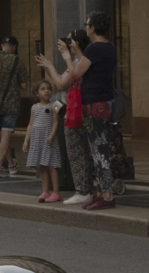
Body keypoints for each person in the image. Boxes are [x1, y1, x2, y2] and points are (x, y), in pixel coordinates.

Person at [37, 11, 118, 210]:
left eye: (87, 24)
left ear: (92, 28)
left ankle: (106, 195)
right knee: (98, 149)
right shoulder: (109, 47)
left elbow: (74, 73)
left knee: (98, 151)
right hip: (105, 102)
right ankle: (101, 192)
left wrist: (66, 55)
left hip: (94, 104)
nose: (86, 27)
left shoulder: (94, 49)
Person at [0, 35, 29, 177]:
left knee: (3, 136)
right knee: (6, 135)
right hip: (11, 104)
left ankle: (11, 164)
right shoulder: (17, 61)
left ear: (2, 45)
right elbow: (24, 85)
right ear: (14, 47)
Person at [21, 80, 62, 202]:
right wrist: (26, 140)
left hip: (48, 139)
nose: (46, 91)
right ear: (37, 93)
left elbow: (56, 122)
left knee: (51, 165)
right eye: (43, 89)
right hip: (37, 139)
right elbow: (30, 124)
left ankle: (56, 192)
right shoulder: (34, 107)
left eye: (48, 88)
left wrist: (52, 135)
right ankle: (45, 191)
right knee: (42, 166)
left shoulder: (55, 104)